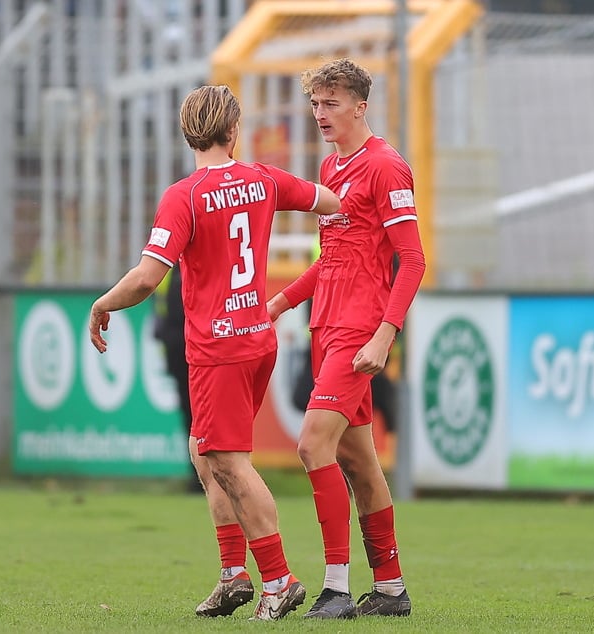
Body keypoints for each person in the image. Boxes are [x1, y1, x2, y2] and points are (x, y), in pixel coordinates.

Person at [88, 84, 341, 620]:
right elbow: (330, 202)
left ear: (188, 134)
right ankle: (233, 575)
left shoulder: (185, 195)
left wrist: (102, 304)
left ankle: (278, 580)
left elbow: (147, 277)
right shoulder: (264, 179)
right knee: (206, 454)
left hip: (218, 348)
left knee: (227, 460)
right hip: (256, 338)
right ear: (233, 131)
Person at [267, 58, 426, 619]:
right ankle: (390, 590)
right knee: (360, 462)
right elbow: (333, 256)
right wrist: (281, 303)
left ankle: (335, 589)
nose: (320, 114)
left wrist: (386, 335)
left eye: (331, 104)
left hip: (361, 328)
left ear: (361, 105)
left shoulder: (386, 167)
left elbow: (413, 260)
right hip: (326, 326)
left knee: (313, 445)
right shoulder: (331, 168)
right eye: (315, 104)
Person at [151, 262, 204, 494]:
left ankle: (212, 473)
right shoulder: (168, 266)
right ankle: (197, 476)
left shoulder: (191, 262)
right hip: (177, 347)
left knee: (202, 414)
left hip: (202, 346)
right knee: (189, 414)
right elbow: (160, 306)